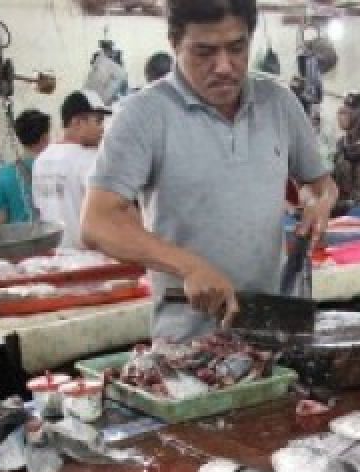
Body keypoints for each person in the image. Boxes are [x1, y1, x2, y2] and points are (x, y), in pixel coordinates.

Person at [81, 0, 337, 341]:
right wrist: (188, 266)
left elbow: (320, 185)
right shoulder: (143, 116)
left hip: (273, 331)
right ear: (174, 43)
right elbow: (98, 222)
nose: (224, 67)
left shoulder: (279, 103)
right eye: (204, 52)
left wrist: (318, 204)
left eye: (237, 48)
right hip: (189, 345)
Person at [33, 90, 113, 250]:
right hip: (89, 260)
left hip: (55, 256)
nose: (102, 129)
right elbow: (111, 212)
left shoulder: (41, 160)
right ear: (77, 122)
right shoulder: (90, 159)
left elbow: (39, 207)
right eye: (98, 121)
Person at [0, 110, 52, 227]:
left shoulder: (3, 175)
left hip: (20, 242)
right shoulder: (56, 170)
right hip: (55, 239)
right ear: (45, 137)